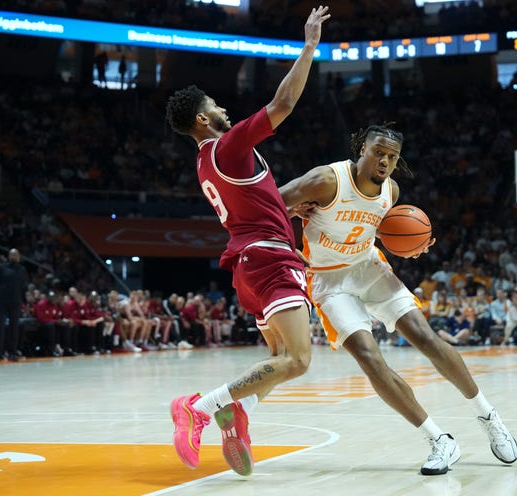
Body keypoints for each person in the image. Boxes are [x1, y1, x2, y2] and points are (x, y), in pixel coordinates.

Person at [279, 124, 517, 475]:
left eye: (392, 157)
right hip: (329, 280)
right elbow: (264, 204)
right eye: (379, 152)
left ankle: (488, 415)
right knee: (369, 357)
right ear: (362, 148)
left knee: (426, 338)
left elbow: (379, 230)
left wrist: (412, 246)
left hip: (369, 267)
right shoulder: (326, 179)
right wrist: (286, 239)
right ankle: (440, 441)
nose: (385, 161)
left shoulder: (391, 190)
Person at [164, 6, 330, 475]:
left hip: (247, 265)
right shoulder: (229, 145)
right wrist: (310, 46)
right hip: (269, 261)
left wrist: (283, 209)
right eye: (215, 105)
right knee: (298, 360)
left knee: (278, 357)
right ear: (201, 119)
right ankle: (199, 407)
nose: (224, 108)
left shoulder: (205, 162)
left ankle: (239, 415)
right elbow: (282, 105)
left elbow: (250, 204)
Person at [0, 248, 29, 362]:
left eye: (16, 255)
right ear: (9, 256)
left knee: (14, 328)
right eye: (12, 255)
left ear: (19, 257)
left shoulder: (22, 269)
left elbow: (24, 288)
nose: (14, 257)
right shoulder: (1, 268)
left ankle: (12, 353)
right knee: (0, 328)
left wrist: (26, 303)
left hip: (15, 302)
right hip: (1, 302)